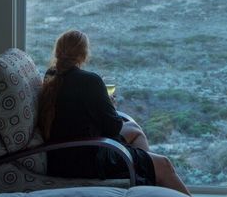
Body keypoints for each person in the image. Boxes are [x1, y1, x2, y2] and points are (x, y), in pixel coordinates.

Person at [38, 30, 191, 196]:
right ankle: (145, 178)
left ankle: (143, 179)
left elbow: (72, 117)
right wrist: (110, 105)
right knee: (164, 164)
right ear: (84, 54)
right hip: (88, 158)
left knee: (133, 129)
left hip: (61, 156)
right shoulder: (90, 80)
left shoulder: (51, 76)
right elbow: (113, 128)